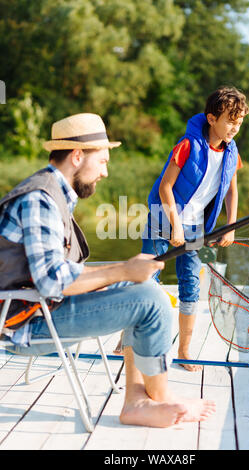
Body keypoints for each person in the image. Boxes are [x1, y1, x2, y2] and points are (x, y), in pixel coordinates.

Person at [0, 112, 216, 428]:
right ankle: (160, 398)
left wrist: (122, 274)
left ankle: (136, 401)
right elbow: (50, 281)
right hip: (26, 324)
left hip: (42, 309)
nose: (105, 172)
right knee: (150, 302)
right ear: (77, 156)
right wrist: (122, 271)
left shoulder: (53, 193)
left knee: (145, 290)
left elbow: (57, 272)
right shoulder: (40, 199)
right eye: (102, 161)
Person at [141, 86, 249, 371]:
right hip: (162, 219)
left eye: (239, 123)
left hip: (195, 227)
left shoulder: (231, 152)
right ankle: (129, 343)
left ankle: (185, 351)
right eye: (230, 121)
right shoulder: (187, 145)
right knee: (147, 279)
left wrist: (231, 226)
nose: (234, 128)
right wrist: (174, 226)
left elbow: (231, 191)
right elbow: (165, 186)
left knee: (190, 285)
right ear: (212, 118)